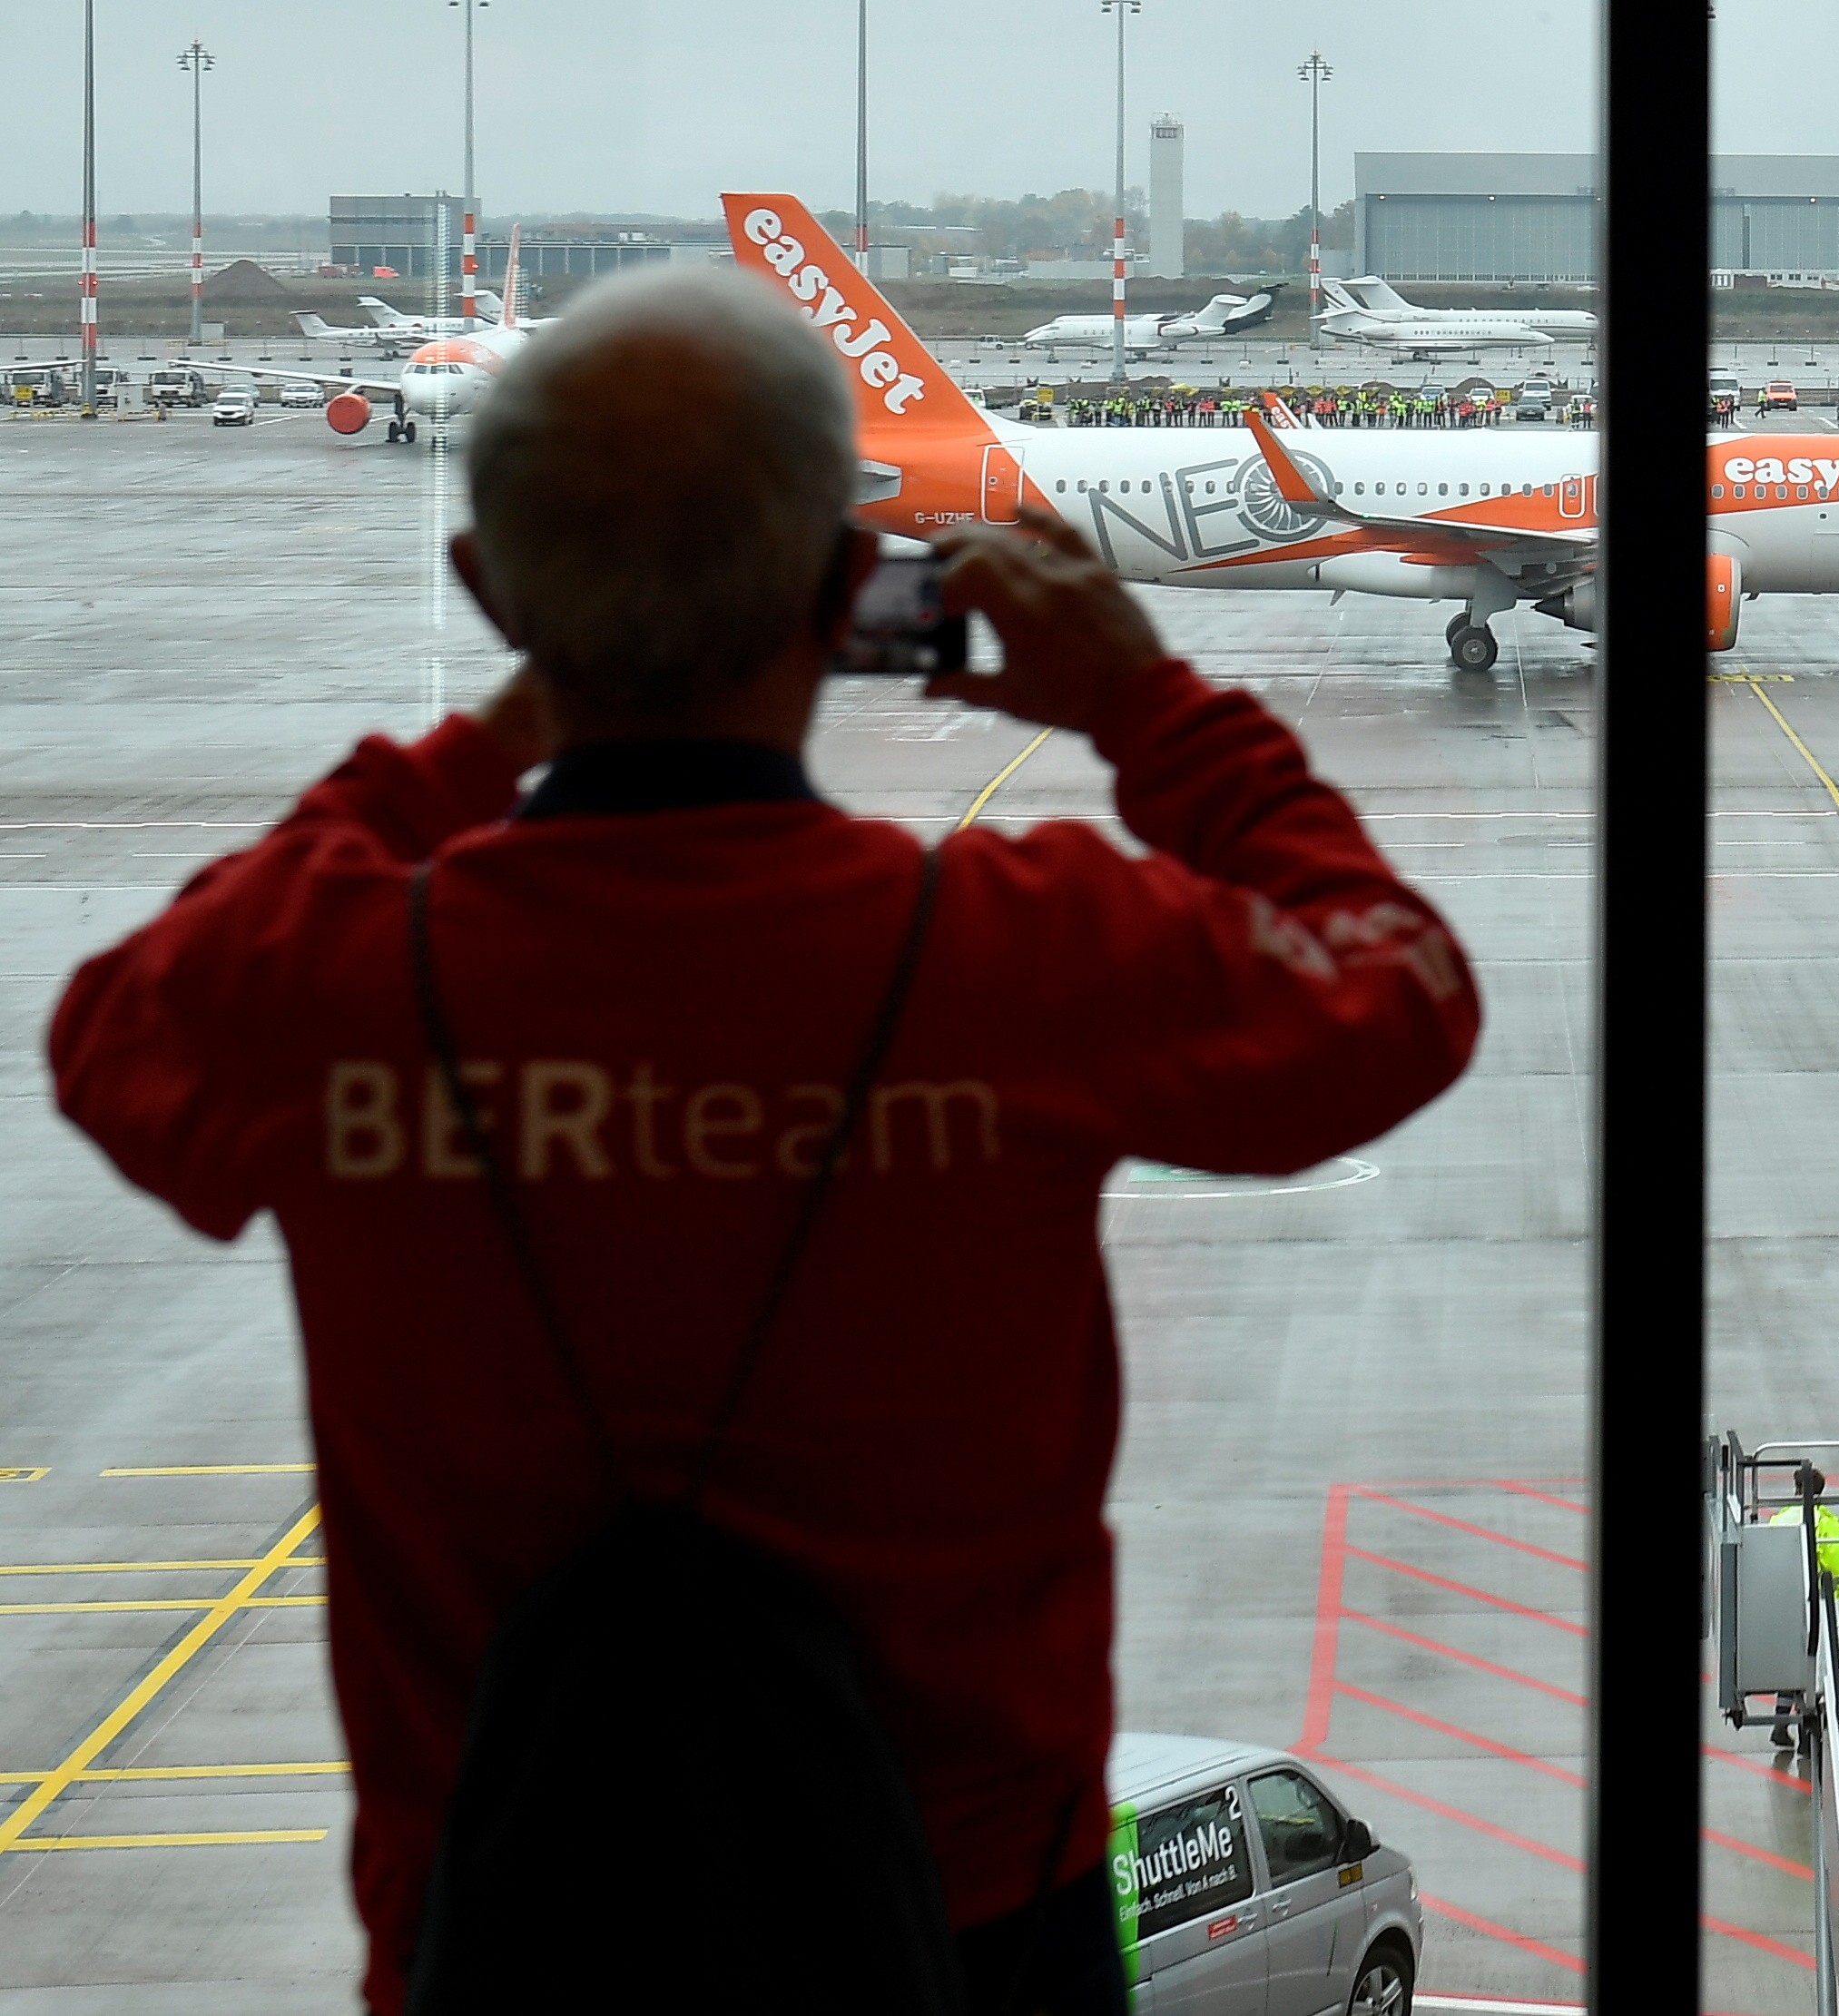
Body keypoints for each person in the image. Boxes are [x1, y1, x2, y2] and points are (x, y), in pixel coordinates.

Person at [45, 269, 1481, 2012]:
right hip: (962, 1927)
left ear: (490, 597)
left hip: (494, 1923)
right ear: (842, 595)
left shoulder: (340, 983)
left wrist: (500, 723)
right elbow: (1401, 994)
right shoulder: (1013, 954)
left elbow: (118, 1028)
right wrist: (1146, 706)